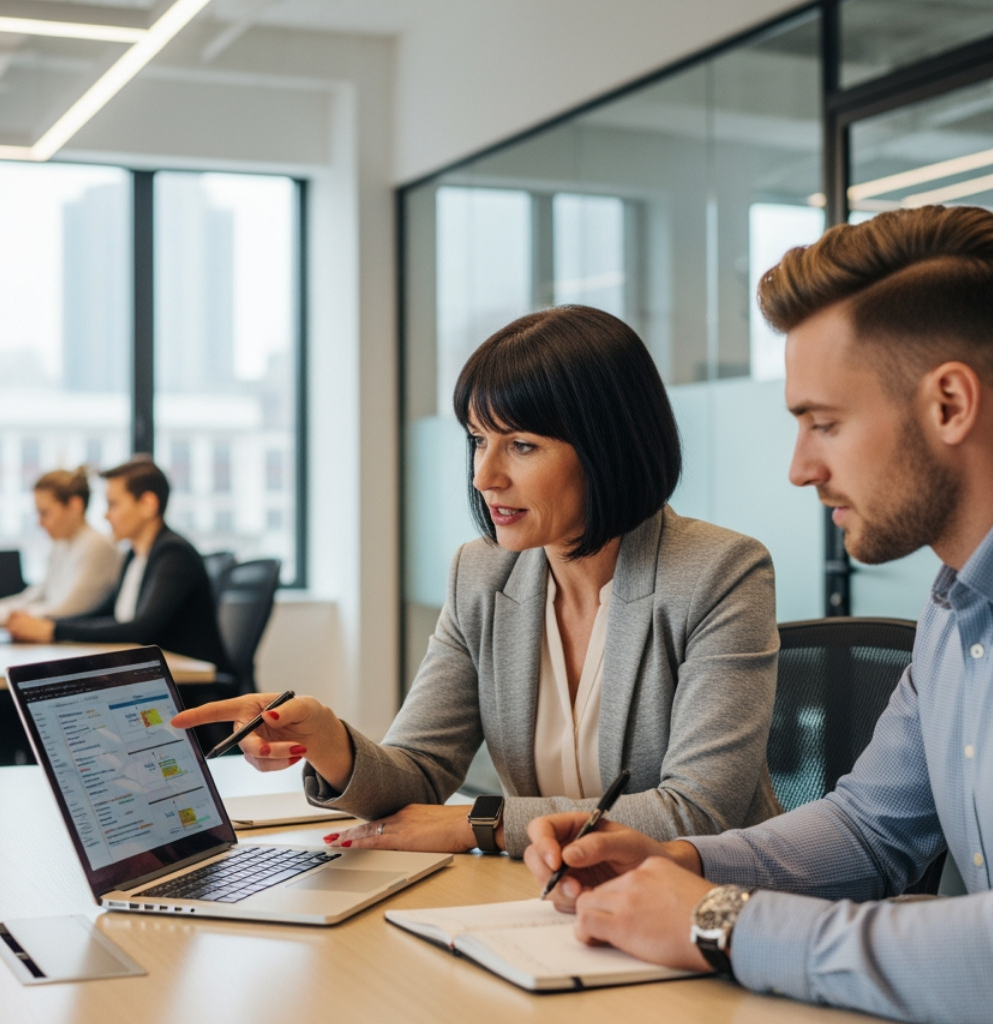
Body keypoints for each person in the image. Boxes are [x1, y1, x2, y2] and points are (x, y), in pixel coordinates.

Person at [522, 207, 993, 1023]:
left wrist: (718, 921)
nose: (799, 468)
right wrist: (672, 863)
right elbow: (868, 830)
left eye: (824, 422)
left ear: (950, 403)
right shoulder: (962, 596)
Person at [173, 305, 782, 858]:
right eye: (477, 440)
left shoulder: (719, 572)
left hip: (699, 910)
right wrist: (327, 738)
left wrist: (477, 823)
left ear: (608, 448)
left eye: (520, 445)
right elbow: (420, 770)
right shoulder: (482, 573)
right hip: (548, 899)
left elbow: (695, 813)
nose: (484, 475)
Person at [7, 459, 228, 671]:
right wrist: (44, 625)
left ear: (147, 505)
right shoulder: (134, 554)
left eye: (113, 504)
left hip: (194, 687)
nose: (105, 515)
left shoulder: (173, 554)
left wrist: (53, 630)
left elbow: (141, 629)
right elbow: (104, 613)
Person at [0, 467, 119, 623]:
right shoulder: (61, 545)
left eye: (45, 513)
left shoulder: (97, 546)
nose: (39, 523)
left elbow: (68, 609)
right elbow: (36, 595)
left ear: (75, 506)